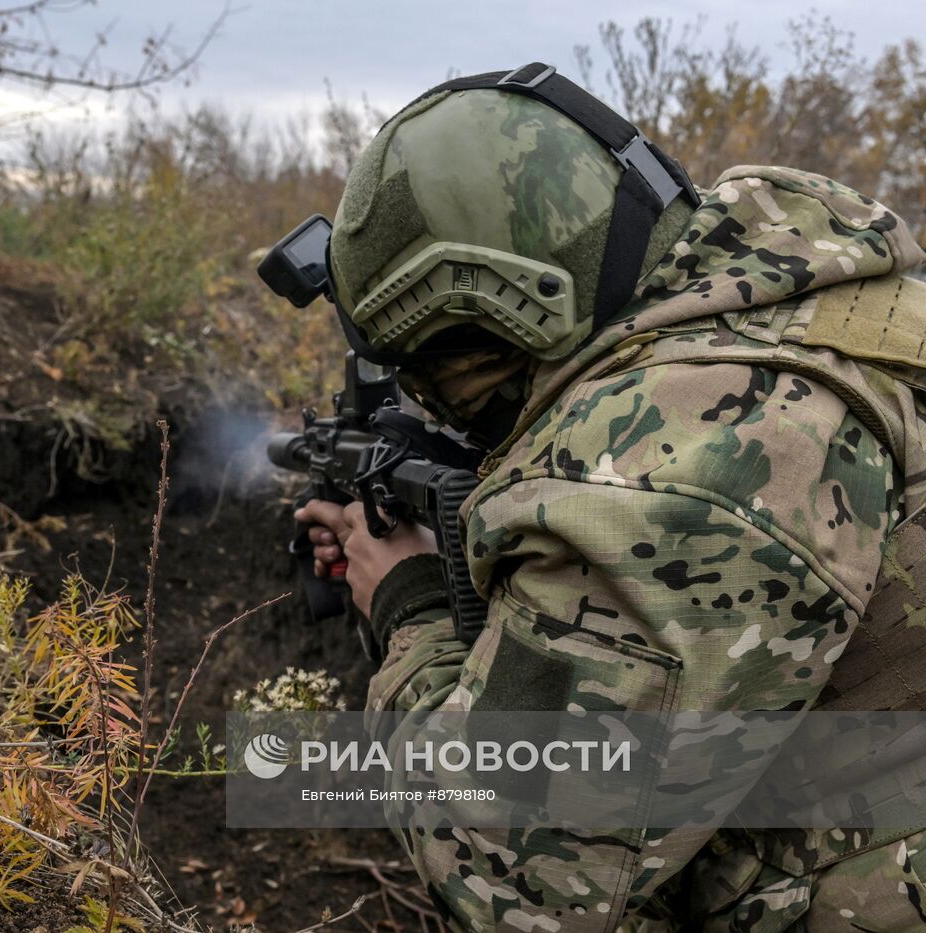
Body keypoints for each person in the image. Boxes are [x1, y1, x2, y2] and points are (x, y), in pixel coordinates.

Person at [293, 63, 926, 931]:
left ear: (502, 311)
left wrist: (407, 607)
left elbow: (510, 879)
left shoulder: (668, 472)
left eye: (433, 372)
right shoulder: (818, 292)